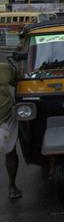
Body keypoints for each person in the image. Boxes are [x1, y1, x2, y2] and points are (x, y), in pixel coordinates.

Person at [0, 62, 21, 200]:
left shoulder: (5, 68)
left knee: (10, 151)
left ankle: (12, 186)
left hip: (7, 117)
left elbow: (19, 83)